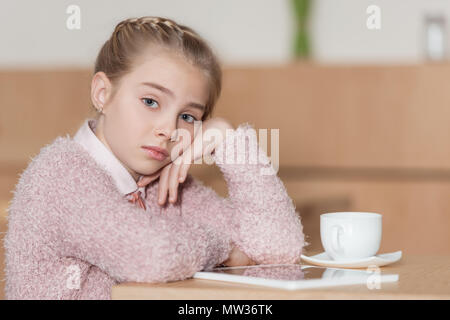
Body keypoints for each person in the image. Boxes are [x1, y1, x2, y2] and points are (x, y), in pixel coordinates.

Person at [4, 16, 306, 300]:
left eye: (187, 116)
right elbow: (151, 257)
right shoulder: (62, 174)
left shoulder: (170, 186)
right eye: (150, 101)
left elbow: (280, 249)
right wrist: (224, 247)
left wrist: (228, 141)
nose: (168, 130)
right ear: (102, 93)